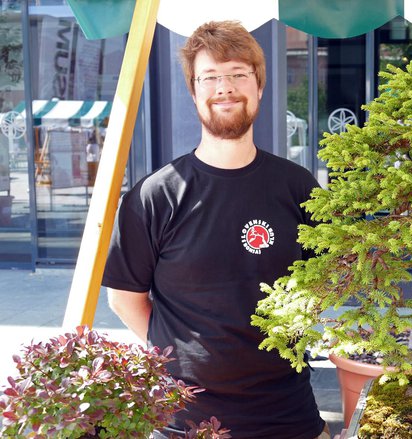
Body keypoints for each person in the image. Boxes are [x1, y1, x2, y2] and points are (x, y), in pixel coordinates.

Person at [102, 21, 328, 439]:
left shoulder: (297, 188)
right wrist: (182, 357)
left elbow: (326, 282)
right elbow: (124, 299)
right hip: (183, 418)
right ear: (194, 92)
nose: (225, 87)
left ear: (259, 86)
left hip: (287, 413)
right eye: (210, 77)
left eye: (238, 74)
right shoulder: (155, 195)